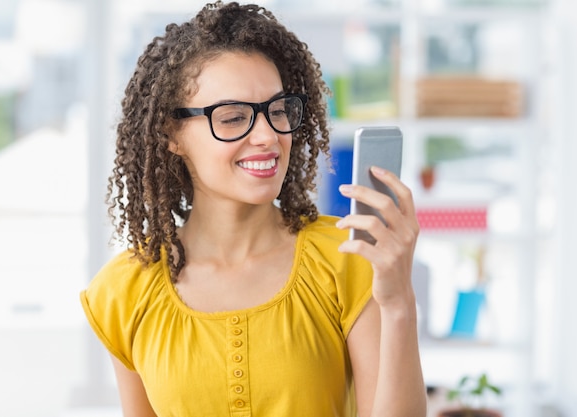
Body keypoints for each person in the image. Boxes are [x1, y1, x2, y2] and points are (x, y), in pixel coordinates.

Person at [80, 1, 427, 416]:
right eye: (231, 117)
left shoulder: (348, 258)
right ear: (170, 134)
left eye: (278, 111)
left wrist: (399, 304)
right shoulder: (125, 291)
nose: (267, 135)